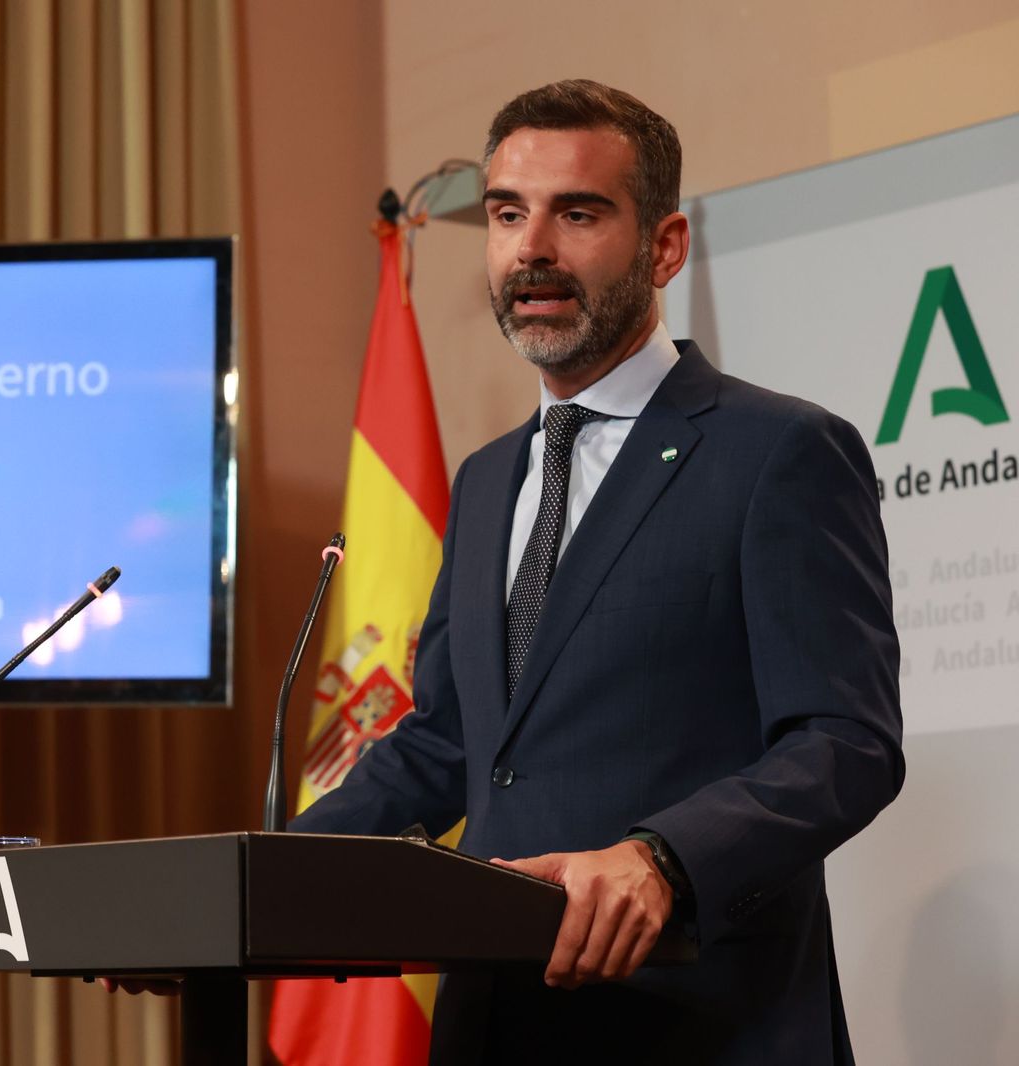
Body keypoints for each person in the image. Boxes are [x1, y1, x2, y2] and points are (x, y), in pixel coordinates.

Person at [290, 80, 904, 1065]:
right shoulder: (488, 480)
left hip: (700, 1022)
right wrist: (262, 879)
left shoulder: (776, 451)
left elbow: (845, 742)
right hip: (499, 1025)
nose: (530, 247)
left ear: (663, 246)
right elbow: (447, 741)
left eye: (576, 213)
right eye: (505, 214)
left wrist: (663, 858)